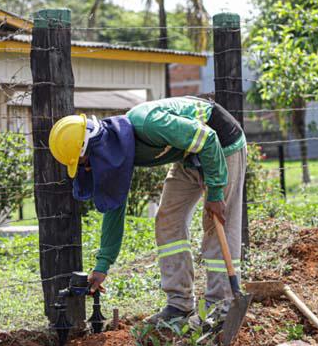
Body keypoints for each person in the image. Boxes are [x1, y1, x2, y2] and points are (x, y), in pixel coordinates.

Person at [48, 96, 246, 324]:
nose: (88, 168)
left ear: (92, 147)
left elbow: (208, 138)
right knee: (167, 221)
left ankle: (221, 308)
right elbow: (115, 206)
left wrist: (215, 191)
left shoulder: (147, 123)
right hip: (190, 155)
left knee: (216, 224)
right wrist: (103, 265)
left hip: (221, 144)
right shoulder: (116, 153)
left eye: (83, 162)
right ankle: (179, 305)